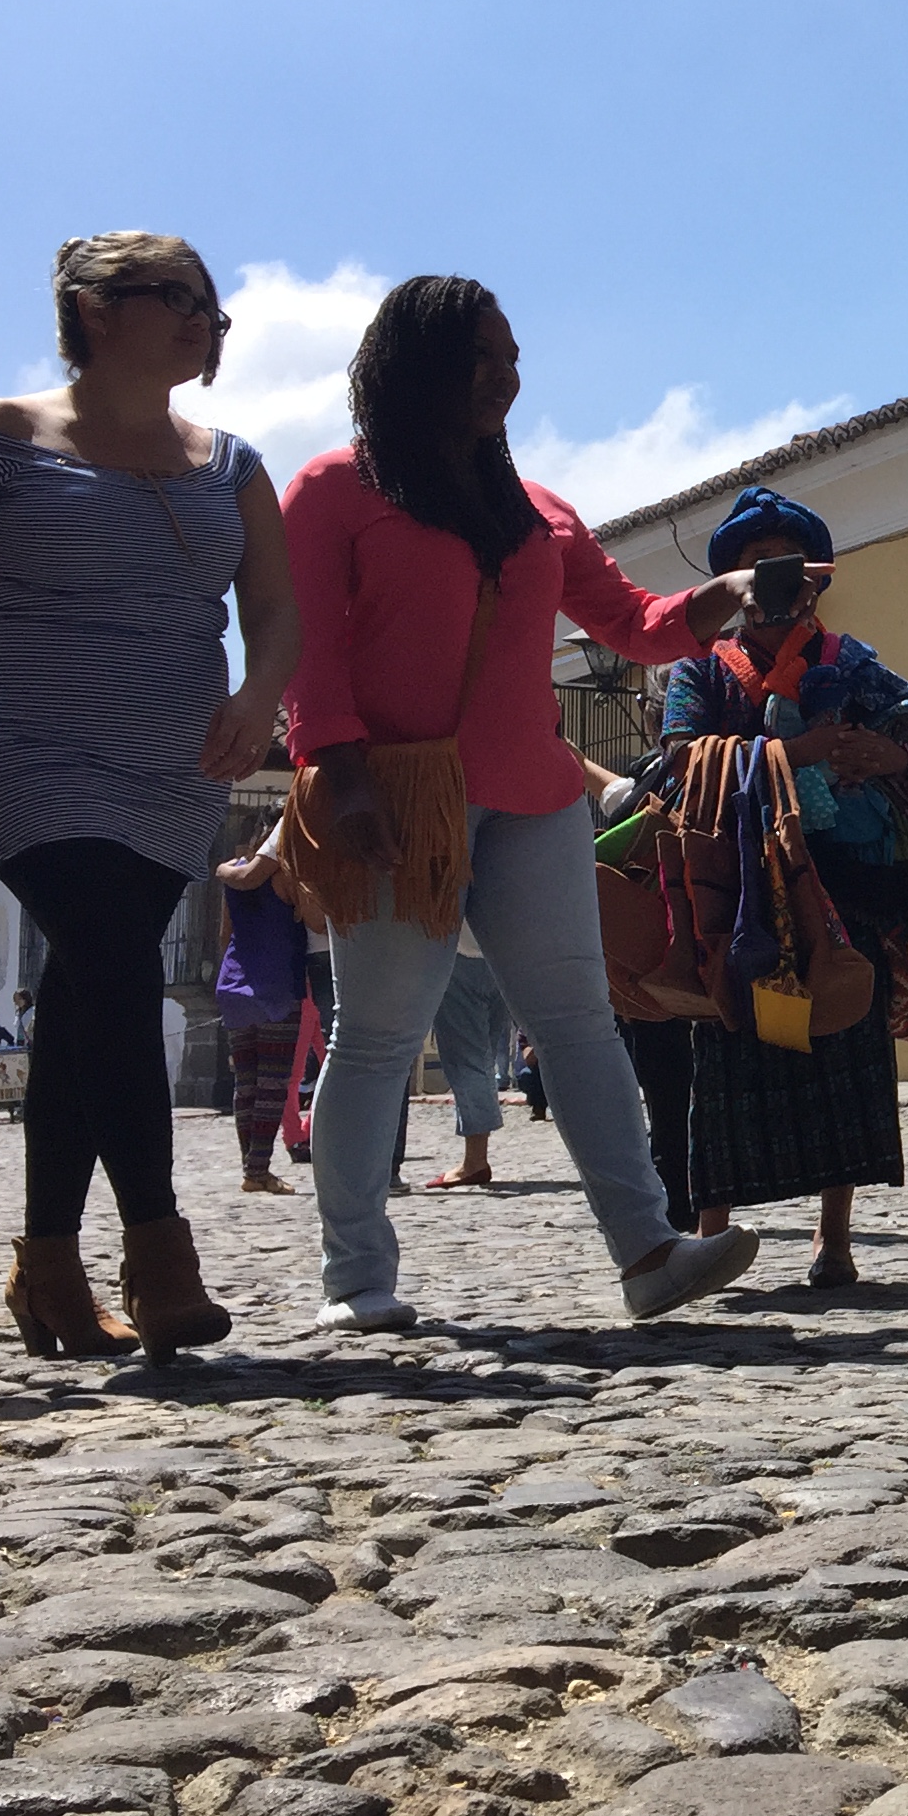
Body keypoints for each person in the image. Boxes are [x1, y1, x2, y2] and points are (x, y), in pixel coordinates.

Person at [280, 274, 766, 1330]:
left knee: (581, 1023)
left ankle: (648, 1252)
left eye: (512, 357)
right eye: (482, 356)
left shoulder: (538, 511)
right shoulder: (331, 490)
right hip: (398, 804)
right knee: (378, 1035)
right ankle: (355, 1279)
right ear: (418, 365)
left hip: (535, 800)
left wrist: (718, 601)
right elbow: (303, 650)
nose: (506, 375)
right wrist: (339, 772)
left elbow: (632, 621)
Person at [0, 231, 293, 1358]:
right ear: (94, 309)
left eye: (214, 307)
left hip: (172, 773)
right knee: (111, 956)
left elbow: (276, 612)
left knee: (87, 985)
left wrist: (260, 692)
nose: (205, 321)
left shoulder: (232, 465)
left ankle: (49, 1271)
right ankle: (161, 1254)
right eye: (177, 297)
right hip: (25, 754)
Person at [656, 485, 908, 1290]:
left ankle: (833, 1237)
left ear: (818, 580)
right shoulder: (700, 670)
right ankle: (711, 1235)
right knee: (731, 1054)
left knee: (844, 1043)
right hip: (740, 892)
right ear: (736, 584)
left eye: (794, 567)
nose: (781, 581)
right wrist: (797, 754)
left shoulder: (854, 664)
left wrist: (896, 757)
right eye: (760, 566)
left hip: (846, 888)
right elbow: (680, 758)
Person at [213, 845, 308, 1197]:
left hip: (234, 983)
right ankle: (259, 1169)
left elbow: (224, 934)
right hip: (276, 985)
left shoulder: (233, 874)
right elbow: (311, 920)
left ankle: (250, 1169)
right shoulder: (289, 876)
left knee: (246, 1084)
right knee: (272, 1084)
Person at [421, 931, 510, 1188]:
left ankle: (475, 1160)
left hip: (457, 950)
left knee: (467, 1061)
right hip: (501, 952)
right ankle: (475, 1157)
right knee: (483, 1056)